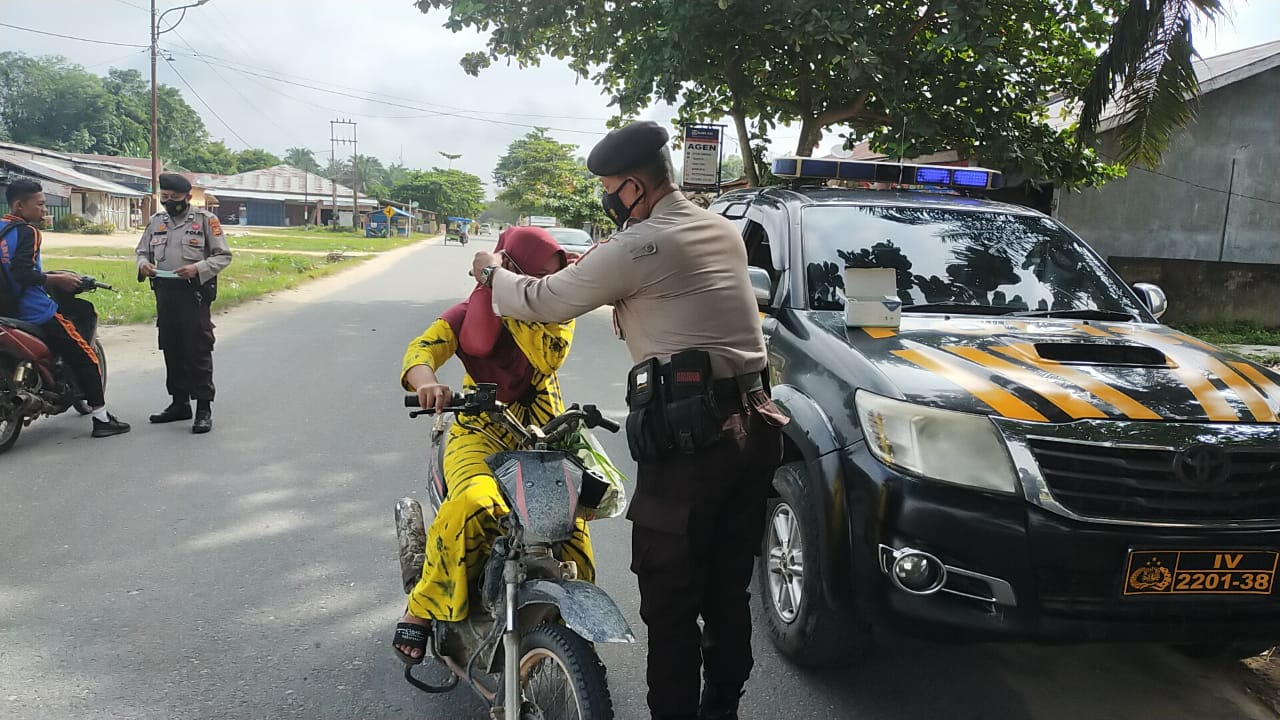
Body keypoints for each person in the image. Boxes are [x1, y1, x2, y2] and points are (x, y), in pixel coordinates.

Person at [470, 120, 787, 720]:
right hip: (754, 426)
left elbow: (542, 301)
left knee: (670, 602)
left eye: (611, 190)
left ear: (635, 187)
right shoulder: (719, 228)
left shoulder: (641, 246)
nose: (608, 200)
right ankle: (722, 708)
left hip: (692, 442)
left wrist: (491, 272)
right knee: (726, 590)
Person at [392, 226, 597, 663]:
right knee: (472, 504)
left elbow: (548, 356)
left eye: (551, 277)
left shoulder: (557, 316)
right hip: (480, 432)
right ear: (515, 269)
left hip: (544, 436)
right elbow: (421, 351)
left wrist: (505, 289)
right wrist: (427, 383)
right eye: (537, 277)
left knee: (574, 525)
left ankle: (575, 630)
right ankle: (422, 605)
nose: (545, 286)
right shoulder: (468, 314)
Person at [0, 179, 130, 437]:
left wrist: (49, 274)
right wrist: (57, 280)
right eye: (39, 204)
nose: (44, 210)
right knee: (85, 355)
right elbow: (23, 273)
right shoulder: (28, 232)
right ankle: (102, 419)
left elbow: (13, 270)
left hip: (6, 311)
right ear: (20, 205)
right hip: (35, 311)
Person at [135, 173, 233, 434]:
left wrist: (197, 269)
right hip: (165, 291)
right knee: (171, 346)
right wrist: (143, 265)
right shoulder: (157, 221)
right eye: (165, 197)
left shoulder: (205, 220)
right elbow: (142, 251)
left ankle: (203, 408)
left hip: (194, 292)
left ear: (188, 198)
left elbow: (223, 256)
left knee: (197, 348)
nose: (169, 202)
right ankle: (179, 403)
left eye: (175, 197)